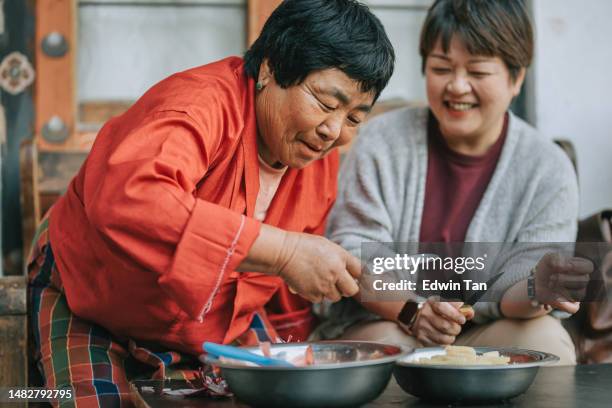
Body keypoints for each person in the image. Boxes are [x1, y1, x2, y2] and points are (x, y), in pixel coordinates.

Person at [28, 0, 395, 405]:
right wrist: (285, 252)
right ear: (270, 69)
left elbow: (292, 284)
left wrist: (411, 311)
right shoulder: (198, 104)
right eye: (326, 104)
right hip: (91, 286)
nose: (333, 130)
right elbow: (133, 200)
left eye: (354, 119)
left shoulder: (315, 159)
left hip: (212, 319)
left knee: (285, 396)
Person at [320, 0, 591, 365]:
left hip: (488, 331)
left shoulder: (549, 169)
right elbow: (356, 248)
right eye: (441, 68)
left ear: (517, 78)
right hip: (390, 321)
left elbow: (523, 283)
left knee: (548, 345)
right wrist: (413, 310)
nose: (457, 86)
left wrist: (534, 285)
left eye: (477, 72)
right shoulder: (381, 140)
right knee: (385, 354)